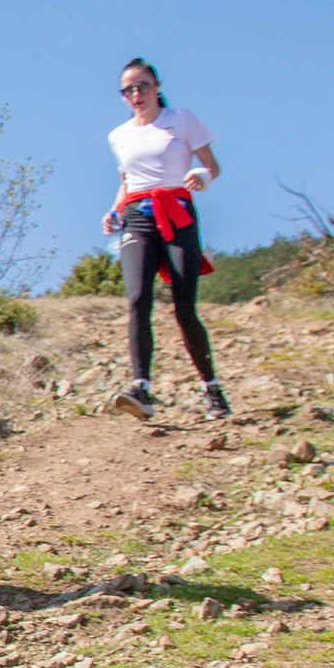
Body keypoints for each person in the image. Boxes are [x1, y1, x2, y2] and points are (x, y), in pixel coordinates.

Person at [100, 59, 228, 420]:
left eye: (142, 86)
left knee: (184, 308)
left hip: (176, 211)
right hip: (137, 216)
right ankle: (141, 388)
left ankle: (212, 388)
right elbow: (127, 182)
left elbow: (212, 166)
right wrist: (113, 211)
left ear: (157, 86)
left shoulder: (181, 119)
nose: (136, 94)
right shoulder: (118, 136)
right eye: (128, 90)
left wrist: (202, 177)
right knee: (138, 299)